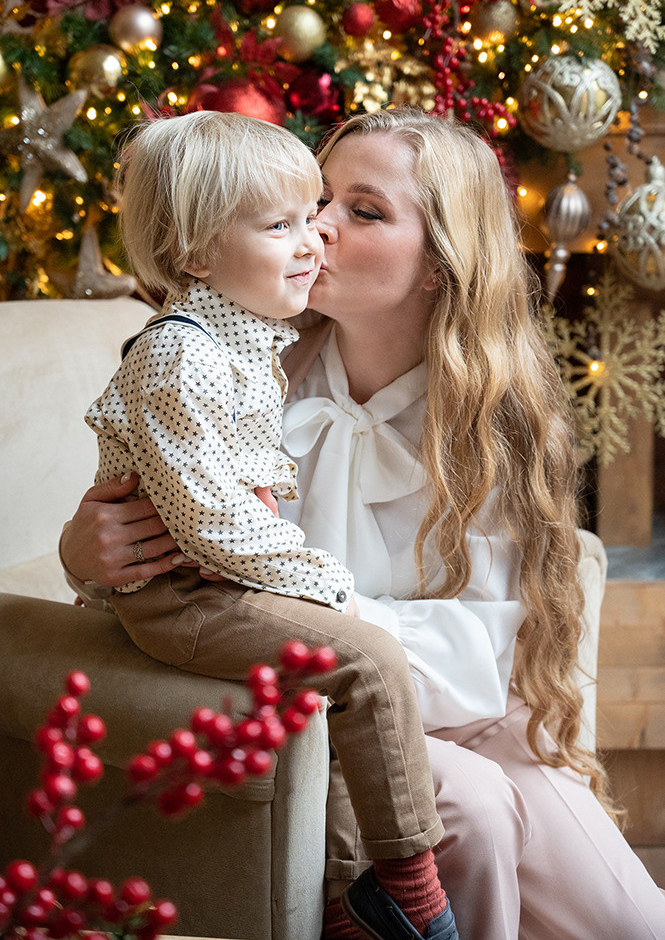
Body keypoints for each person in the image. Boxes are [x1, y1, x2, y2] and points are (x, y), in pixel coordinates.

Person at [61, 108, 665, 940]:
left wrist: (336, 615)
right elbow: (170, 544)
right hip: (327, 713)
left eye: (364, 211)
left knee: (632, 923)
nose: (317, 228)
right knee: (475, 813)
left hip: (472, 710)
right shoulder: (227, 364)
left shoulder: (492, 422)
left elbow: (485, 658)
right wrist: (85, 555)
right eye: (316, 201)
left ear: (440, 262)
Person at [79, 109, 458, 940]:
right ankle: (413, 893)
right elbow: (209, 520)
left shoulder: (248, 340)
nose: (312, 241)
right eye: (280, 226)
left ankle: (348, 900)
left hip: (221, 580)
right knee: (367, 660)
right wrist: (324, 584)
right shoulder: (180, 355)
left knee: (335, 689)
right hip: (183, 595)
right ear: (195, 255)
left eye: (309, 215)